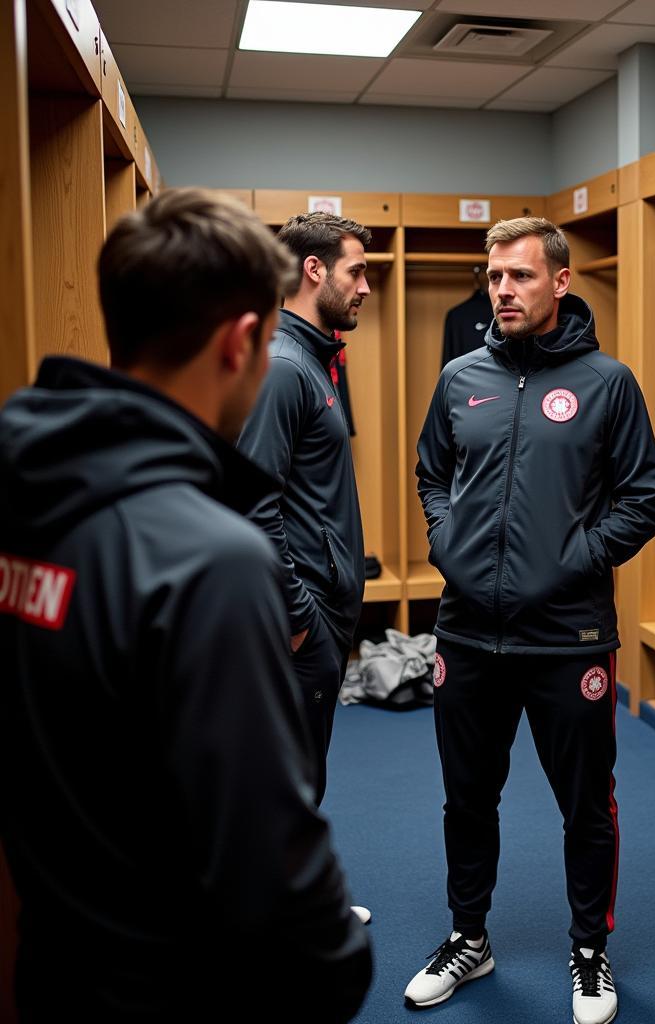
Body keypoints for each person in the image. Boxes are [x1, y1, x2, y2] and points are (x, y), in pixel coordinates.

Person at [0, 189, 371, 1021]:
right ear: (241, 343)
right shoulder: (206, 557)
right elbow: (271, 857)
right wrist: (338, 965)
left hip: (51, 962)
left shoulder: (26, 491)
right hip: (175, 986)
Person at [406, 216, 655, 1024]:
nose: (503, 291)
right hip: (466, 634)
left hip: (569, 638)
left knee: (586, 803)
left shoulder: (608, 383)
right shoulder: (459, 378)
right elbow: (430, 475)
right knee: (466, 798)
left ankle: (590, 950)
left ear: (560, 282)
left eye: (519, 276)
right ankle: (469, 937)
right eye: (494, 278)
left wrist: (569, 559)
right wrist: (448, 542)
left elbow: (643, 501)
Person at [237, 211, 371, 808]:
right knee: (290, 783)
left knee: (302, 774)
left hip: (320, 609)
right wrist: (298, 621)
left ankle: (295, 903)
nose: (366, 287)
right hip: (302, 615)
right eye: (358, 272)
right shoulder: (284, 367)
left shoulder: (312, 360)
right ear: (314, 271)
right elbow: (251, 503)